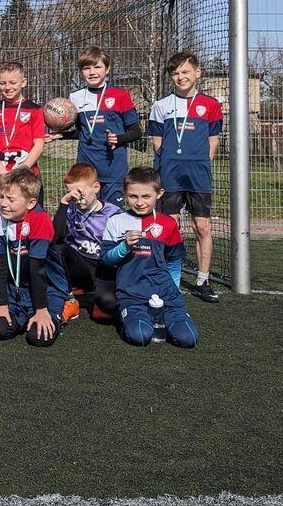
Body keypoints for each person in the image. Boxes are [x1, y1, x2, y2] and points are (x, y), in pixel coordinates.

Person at [147, 51, 223, 303]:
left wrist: (203, 162)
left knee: (202, 226)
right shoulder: (161, 105)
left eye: (185, 72)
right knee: (168, 226)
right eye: (175, 73)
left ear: (197, 72)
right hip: (169, 173)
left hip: (198, 174)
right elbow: (157, 142)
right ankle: (168, 279)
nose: (180, 77)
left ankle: (203, 280)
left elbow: (214, 140)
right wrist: (169, 160)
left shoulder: (211, 105)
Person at [100, 167, 199, 348]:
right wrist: (124, 246)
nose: (139, 202)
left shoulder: (168, 224)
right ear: (124, 193)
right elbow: (106, 259)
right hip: (132, 293)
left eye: (146, 196)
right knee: (140, 336)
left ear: (159, 193)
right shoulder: (116, 220)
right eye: (133, 196)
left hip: (165, 292)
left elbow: (174, 261)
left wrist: (173, 292)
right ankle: (131, 319)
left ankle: (163, 316)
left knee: (188, 338)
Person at [0, 168, 70, 347]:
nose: (3, 203)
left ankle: (65, 306)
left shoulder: (40, 219)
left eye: (11, 199)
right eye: (1, 196)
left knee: (39, 338)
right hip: (14, 288)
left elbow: (37, 268)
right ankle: (21, 315)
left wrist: (41, 309)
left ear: (30, 203)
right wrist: (1, 303)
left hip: (46, 288)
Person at [47, 46, 141, 209]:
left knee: (112, 216)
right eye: (86, 68)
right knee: (85, 214)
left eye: (97, 67)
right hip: (86, 170)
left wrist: (118, 139)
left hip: (113, 169)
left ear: (107, 69)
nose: (92, 72)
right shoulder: (75, 97)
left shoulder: (120, 95)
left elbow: (136, 131)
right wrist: (60, 135)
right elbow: (83, 132)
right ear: (81, 71)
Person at [53, 163, 123, 322]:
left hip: (103, 267)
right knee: (56, 248)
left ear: (96, 187)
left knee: (109, 305)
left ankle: (98, 297)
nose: (76, 197)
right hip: (79, 264)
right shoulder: (70, 208)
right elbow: (56, 238)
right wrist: (64, 203)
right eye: (70, 192)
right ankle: (69, 298)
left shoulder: (113, 213)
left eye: (79, 192)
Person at [0, 61, 45, 213]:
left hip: (26, 174)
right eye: (3, 83)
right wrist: (2, 171)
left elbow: (39, 145)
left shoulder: (34, 110)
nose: (7, 87)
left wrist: (23, 169)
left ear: (23, 82)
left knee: (30, 217)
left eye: (12, 82)